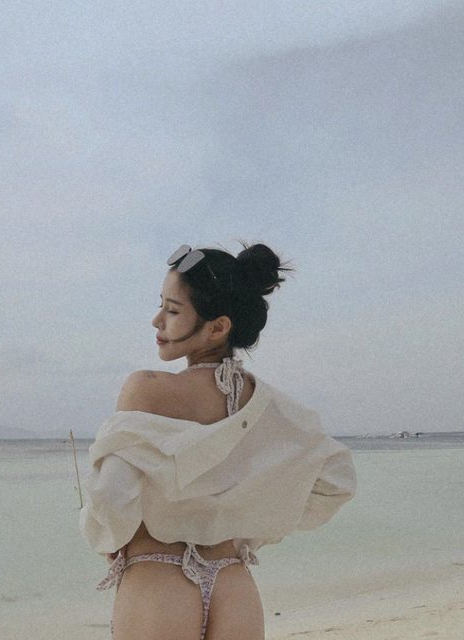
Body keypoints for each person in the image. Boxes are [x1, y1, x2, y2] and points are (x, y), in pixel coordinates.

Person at [79, 242, 357, 640]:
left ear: (217, 327)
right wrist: (245, 526)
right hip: (233, 583)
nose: (157, 320)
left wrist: (110, 537)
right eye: (161, 306)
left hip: (158, 579)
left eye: (172, 310)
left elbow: (111, 498)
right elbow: (337, 481)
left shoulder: (147, 388)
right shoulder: (269, 405)